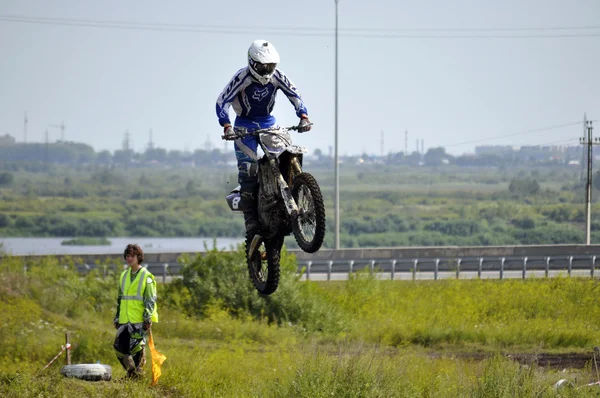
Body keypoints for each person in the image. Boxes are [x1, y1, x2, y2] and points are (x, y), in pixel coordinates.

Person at [216, 39, 312, 237]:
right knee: (248, 169)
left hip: (269, 123)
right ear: (252, 63)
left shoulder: (277, 76)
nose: (267, 70)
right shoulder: (242, 77)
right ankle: (251, 221)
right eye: (263, 66)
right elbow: (221, 101)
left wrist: (303, 116)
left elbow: (294, 94)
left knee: (288, 153)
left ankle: (295, 193)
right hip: (244, 126)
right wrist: (226, 126)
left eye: (271, 65)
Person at [113, 244, 158, 378]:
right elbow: (120, 299)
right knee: (119, 347)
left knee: (136, 348)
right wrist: (117, 317)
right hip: (124, 319)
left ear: (138, 257)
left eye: (132, 256)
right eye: (127, 256)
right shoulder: (124, 275)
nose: (129, 258)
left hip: (139, 319)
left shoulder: (146, 276)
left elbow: (150, 299)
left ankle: (137, 375)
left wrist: (147, 318)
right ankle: (132, 372)